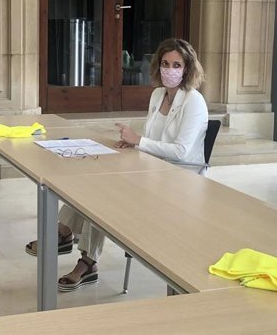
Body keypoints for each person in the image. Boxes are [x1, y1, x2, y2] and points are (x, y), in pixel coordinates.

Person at [26, 38, 208, 291]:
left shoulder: (194, 101)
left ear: (187, 69)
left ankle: (78, 251)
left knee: (108, 193)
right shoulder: (158, 94)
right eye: (165, 63)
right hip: (152, 168)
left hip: (181, 176)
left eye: (177, 64)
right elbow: (152, 138)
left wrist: (140, 141)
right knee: (96, 181)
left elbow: (181, 151)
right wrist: (134, 142)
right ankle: (71, 242)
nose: (170, 69)